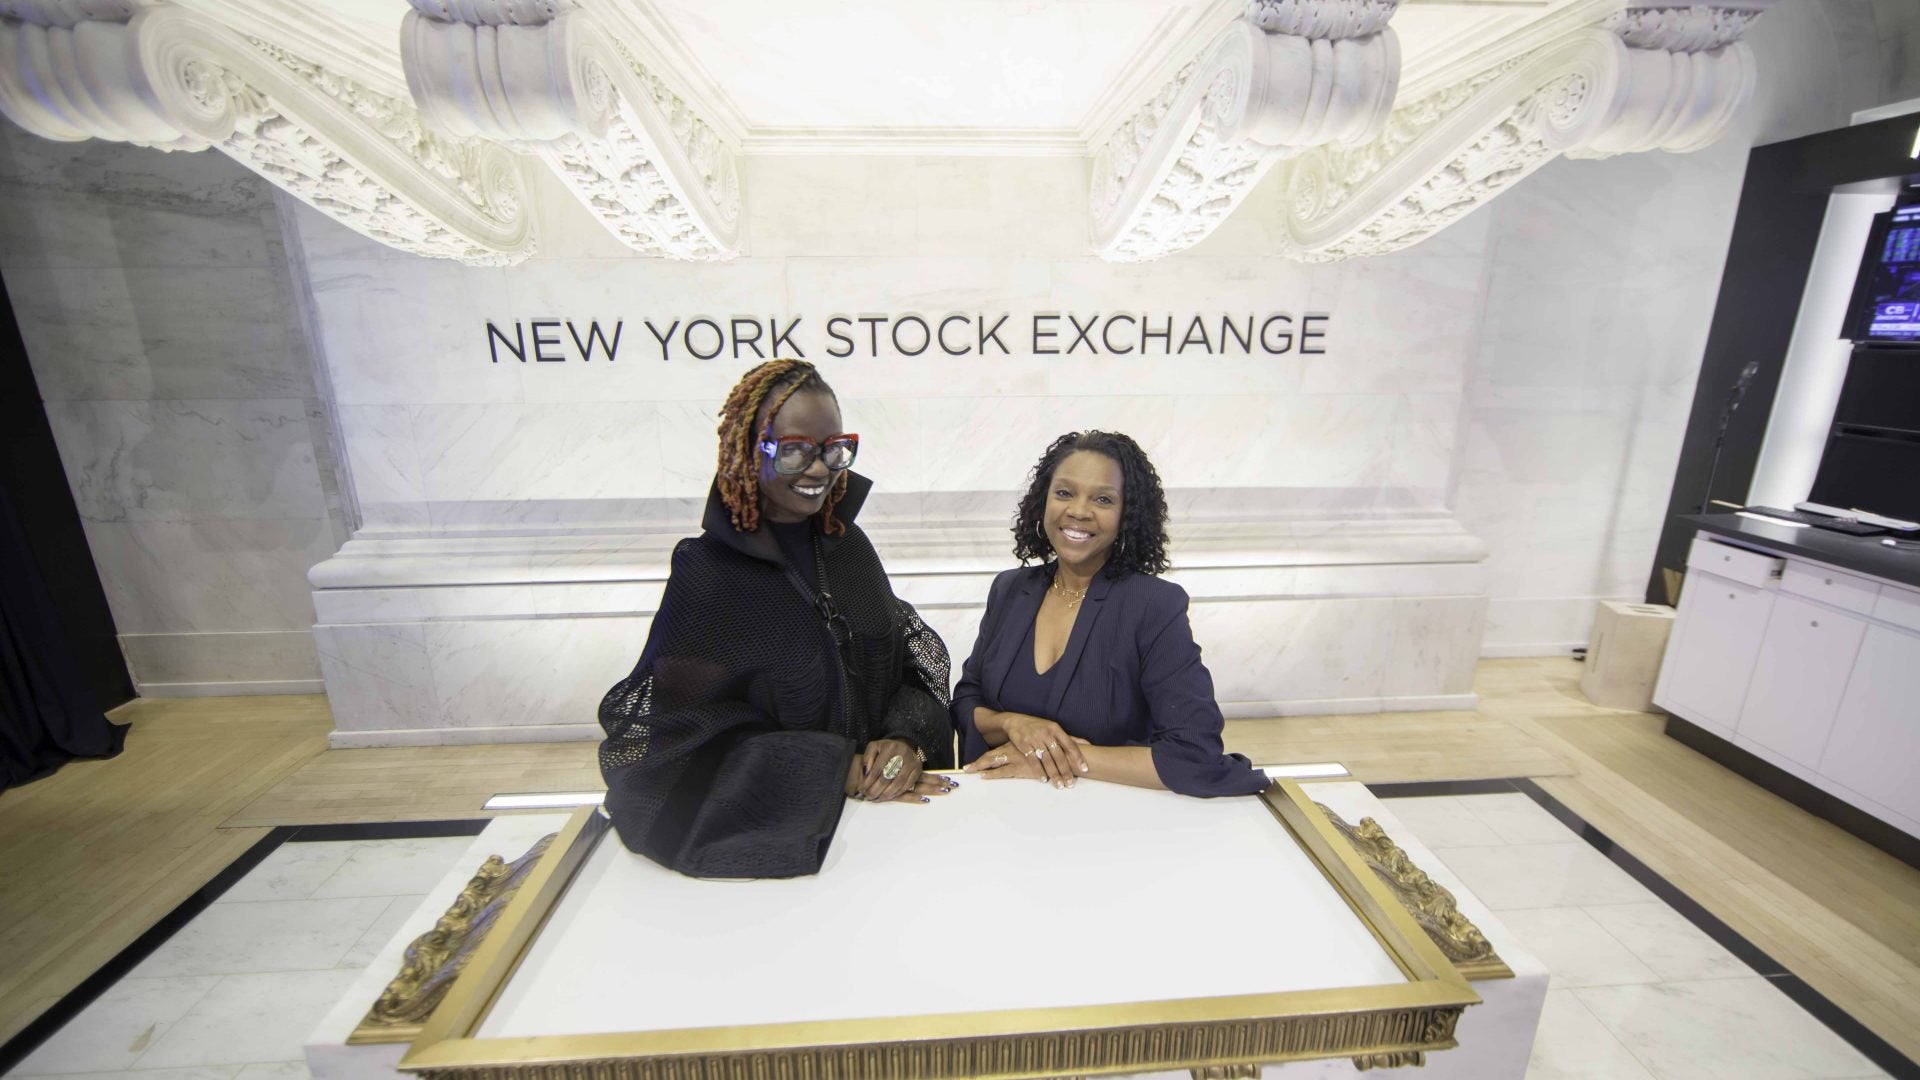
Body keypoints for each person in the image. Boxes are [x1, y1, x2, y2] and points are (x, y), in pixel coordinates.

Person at [598, 360, 956, 878]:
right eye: (793, 450)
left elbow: (901, 668)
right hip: (784, 839)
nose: (819, 469)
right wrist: (836, 770)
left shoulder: (848, 547)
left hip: (890, 831)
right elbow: (678, 746)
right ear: (749, 452)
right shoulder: (709, 574)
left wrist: (903, 739)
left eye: (834, 448)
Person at [953, 431, 1268, 796]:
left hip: (1111, 822)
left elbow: (1193, 752)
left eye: (1103, 499)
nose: (1079, 510)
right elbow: (967, 700)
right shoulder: (1009, 590)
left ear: (1125, 515)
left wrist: (1059, 758)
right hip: (1005, 814)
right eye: (1064, 493)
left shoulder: (1152, 605)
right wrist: (1014, 724)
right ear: (1044, 501)